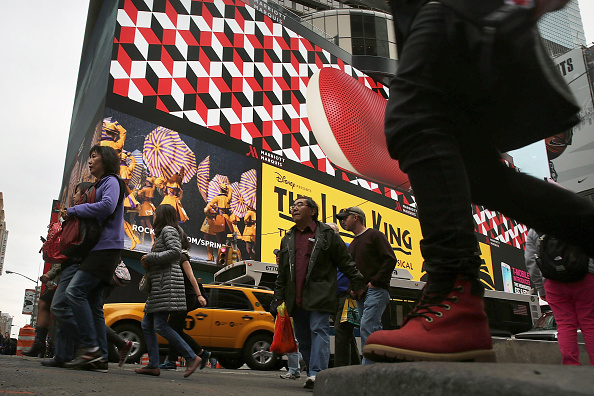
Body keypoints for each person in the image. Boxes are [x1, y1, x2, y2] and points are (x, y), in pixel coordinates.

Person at [363, 1, 594, 363]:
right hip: (443, 17)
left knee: (413, 120)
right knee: (477, 175)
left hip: (456, 8)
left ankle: (454, 297)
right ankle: (456, 305)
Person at [274, 196, 365, 389]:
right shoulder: (287, 238)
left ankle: (317, 374)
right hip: (295, 297)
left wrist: (357, 281)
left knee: (319, 330)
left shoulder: (327, 234)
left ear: (312, 211)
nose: (294, 208)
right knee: (303, 337)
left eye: (300, 205)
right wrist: (279, 296)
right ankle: (311, 372)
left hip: (320, 294)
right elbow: (282, 272)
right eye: (293, 206)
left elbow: (345, 261)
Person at [62, 145, 126, 371]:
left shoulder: (111, 181)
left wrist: (74, 211)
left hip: (106, 247)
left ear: (106, 159)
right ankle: (99, 355)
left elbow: (107, 206)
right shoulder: (101, 183)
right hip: (101, 247)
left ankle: (90, 349)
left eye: (94, 156)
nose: (90, 161)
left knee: (74, 291)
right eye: (89, 157)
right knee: (93, 304)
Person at [135, 204, 201, 377]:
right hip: (160, 284)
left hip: (166, 284)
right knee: (147, 324)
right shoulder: (165, 232)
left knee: (160, 325)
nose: (153, 216)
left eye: (156, 213)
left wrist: (151, 257)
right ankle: (153, 365)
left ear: (162, 215)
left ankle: (191, 357)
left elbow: (175, 252)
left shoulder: (169, 230)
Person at [41, 181, 94, 368]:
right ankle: (62, 355)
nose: (73, 196)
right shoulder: (74, 214)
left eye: (76, 192)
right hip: (69, 264)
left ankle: (88, 341)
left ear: (84, 194)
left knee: (59, 306)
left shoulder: (82, 214)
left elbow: (76, 241)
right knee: (63, 307)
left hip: (75, 263)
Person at [525, 228, 594, 365]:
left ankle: (571, 365)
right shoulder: (579, 215)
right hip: (586, 277)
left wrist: (541, 288)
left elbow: (530, 260)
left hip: (554, 282)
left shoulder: (535, 228)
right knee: (590, 323)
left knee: (565, 325)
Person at [336, 207, 396, 364]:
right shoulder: (354, 243)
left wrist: (375, 282)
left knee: (367, 325)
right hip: (360, 293)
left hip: (376, 290)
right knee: (374, 328)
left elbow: (390, 259)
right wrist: (353, 289)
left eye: (345, 217)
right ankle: (382, 362)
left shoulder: (374, 235)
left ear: (356, 218)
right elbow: (352, 270)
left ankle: (368, 367)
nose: (342, 221)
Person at [160, 233, 211, 370]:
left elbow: (191, 276)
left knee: (171, 328)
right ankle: (195, 354)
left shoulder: (182, 257)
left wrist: (199, 295)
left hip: (187, 298)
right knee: (175, 329)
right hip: (182, 297)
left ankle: (193, 354)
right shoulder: (177, 257)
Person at [326, 222, 360, 367]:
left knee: (341, 330)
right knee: (346, 333)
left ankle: (340, 370)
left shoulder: (348, 248)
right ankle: (355, 367)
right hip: (331, 298)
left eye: (331, 232)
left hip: (346, 297)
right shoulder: (325, 252)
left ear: (338, 234)